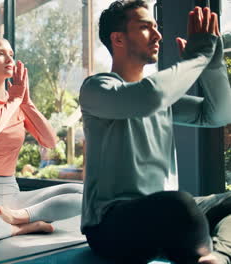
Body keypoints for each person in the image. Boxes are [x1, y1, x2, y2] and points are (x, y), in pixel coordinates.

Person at [79, 1, 231, 263]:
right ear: (118, 38)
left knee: (217, 202)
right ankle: (201, 251)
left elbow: (218, 114)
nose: (158, 35)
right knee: (179, 205)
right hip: (110, 225)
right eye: (145, 27)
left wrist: (213, 63)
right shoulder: (97, 89)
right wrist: (199, 55)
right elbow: (150, 96)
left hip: (159, 212)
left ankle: (217, 256)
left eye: (156, 27)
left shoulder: (161, 99)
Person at [0, 37, 83, 243]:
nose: (10, 59)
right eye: (1, 53)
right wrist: (14, 100)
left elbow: (50, 141)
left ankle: (20, 217)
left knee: (84, 194)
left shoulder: (19, 104)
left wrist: (27, 102)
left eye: (12, 54)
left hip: (14, 196)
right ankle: (25, 227)